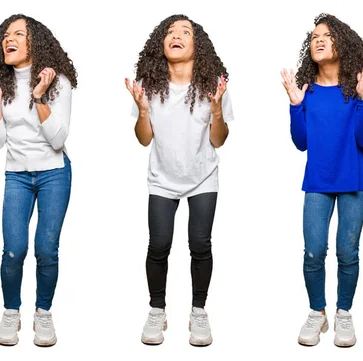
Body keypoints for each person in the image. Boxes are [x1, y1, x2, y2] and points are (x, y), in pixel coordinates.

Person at [125, 14, 233, 346]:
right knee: (158, 245)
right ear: (162, 44)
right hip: (162, 178)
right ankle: (157, 310)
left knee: (200, 245)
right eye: (170, 32)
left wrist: (216, 112)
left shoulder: (213, 85)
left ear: (197, 45)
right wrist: (143, 111)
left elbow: (219, 140)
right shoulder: (150, 85)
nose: (176, 35)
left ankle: (198, 311)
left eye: (185, 32)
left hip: (202, 177)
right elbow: (144, 140)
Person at [281, 13, 363, 348]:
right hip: (318, 182)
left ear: (342, 42)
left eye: (326, 35)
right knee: (313, 252)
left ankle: (344, 314)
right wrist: (295, 106)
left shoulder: (360, 86)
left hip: (355, 180)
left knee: (347, 252)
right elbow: (301, 142)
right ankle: (317, 312)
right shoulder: (306, 91)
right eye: (313, 37)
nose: (318, 40)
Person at [0, 14, 77, 347]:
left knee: (46, 250)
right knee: (13, 250)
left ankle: (43, 313)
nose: (9, 39)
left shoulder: (58, 82)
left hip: (54, 173)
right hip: (17, 175)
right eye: (6, 35)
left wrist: (38, 97)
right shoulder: (1, 83)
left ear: (34, 41)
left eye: (18, 34)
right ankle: (11, 312)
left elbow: (58, 139)